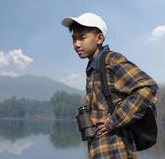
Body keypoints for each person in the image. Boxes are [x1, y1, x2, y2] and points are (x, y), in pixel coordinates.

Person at [61, 12, 158, 159]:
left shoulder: (111, 60)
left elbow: (147, 88)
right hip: (101, 150)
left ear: (99, 38)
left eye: (82, 38)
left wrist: (112, 122)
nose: (76, 44)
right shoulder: (93, 69)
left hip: (115, 150)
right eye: (74, 39)